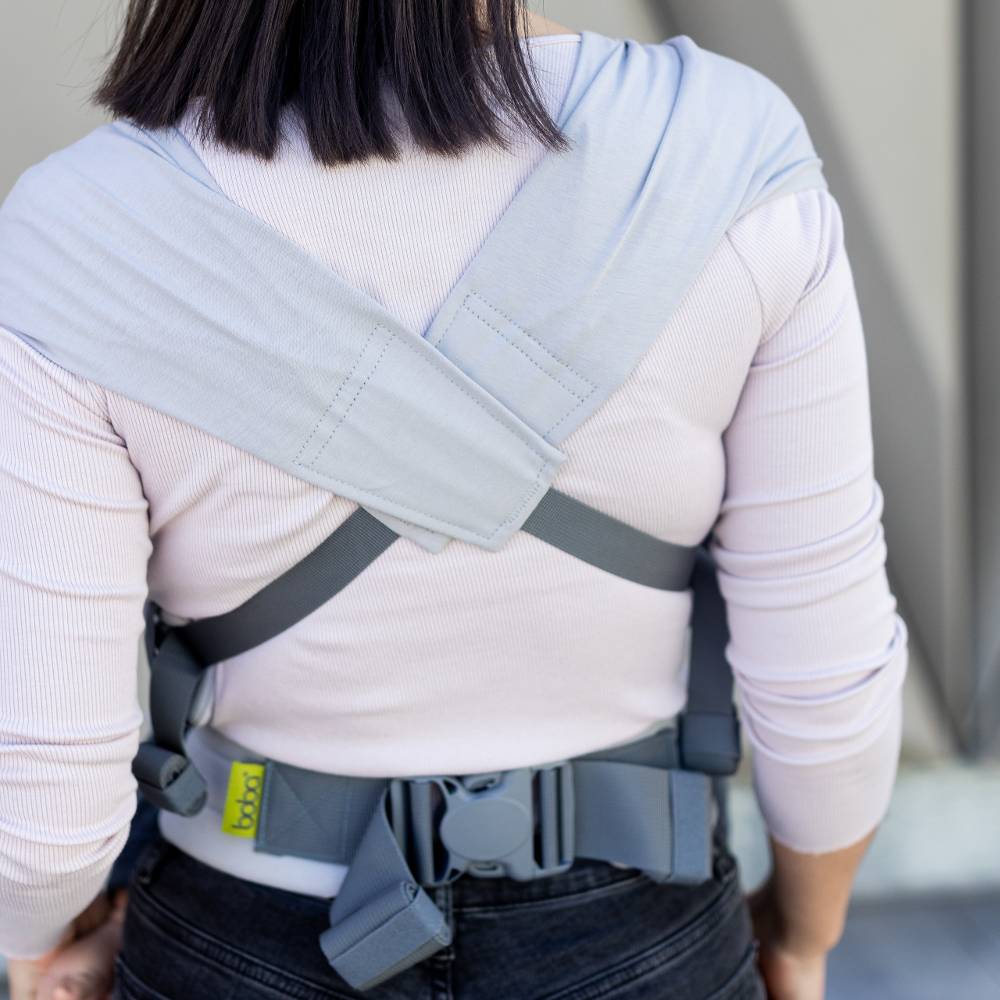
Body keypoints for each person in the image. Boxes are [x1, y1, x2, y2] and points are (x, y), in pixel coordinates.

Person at [0, 2, 907, 998]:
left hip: (244, 917)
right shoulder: (724, 150)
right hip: (638, 925)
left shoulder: (80, 229)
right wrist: (801, 929)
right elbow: (827, 672)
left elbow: (47, 787)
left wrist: (43, 936)